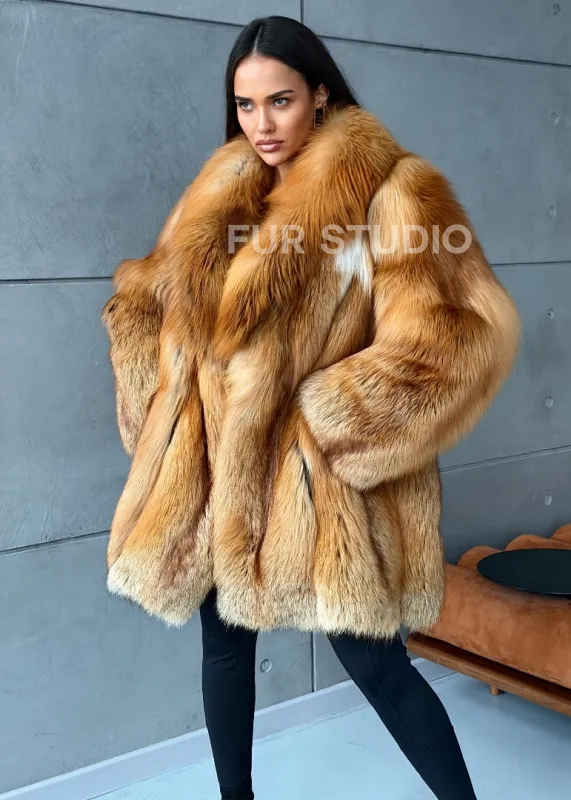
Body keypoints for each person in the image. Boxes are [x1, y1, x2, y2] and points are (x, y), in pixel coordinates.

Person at [100, 15, 520, 800]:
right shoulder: (220, 189)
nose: (260, 124)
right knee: (224, 651)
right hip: (221, 474)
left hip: (317, 486)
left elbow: (460, 334)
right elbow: (154, 300)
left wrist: (327, 422)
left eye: (280, 100)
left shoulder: (391, 192)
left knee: (379, 669)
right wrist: (161, 396)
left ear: (320, 93)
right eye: (245, 105)